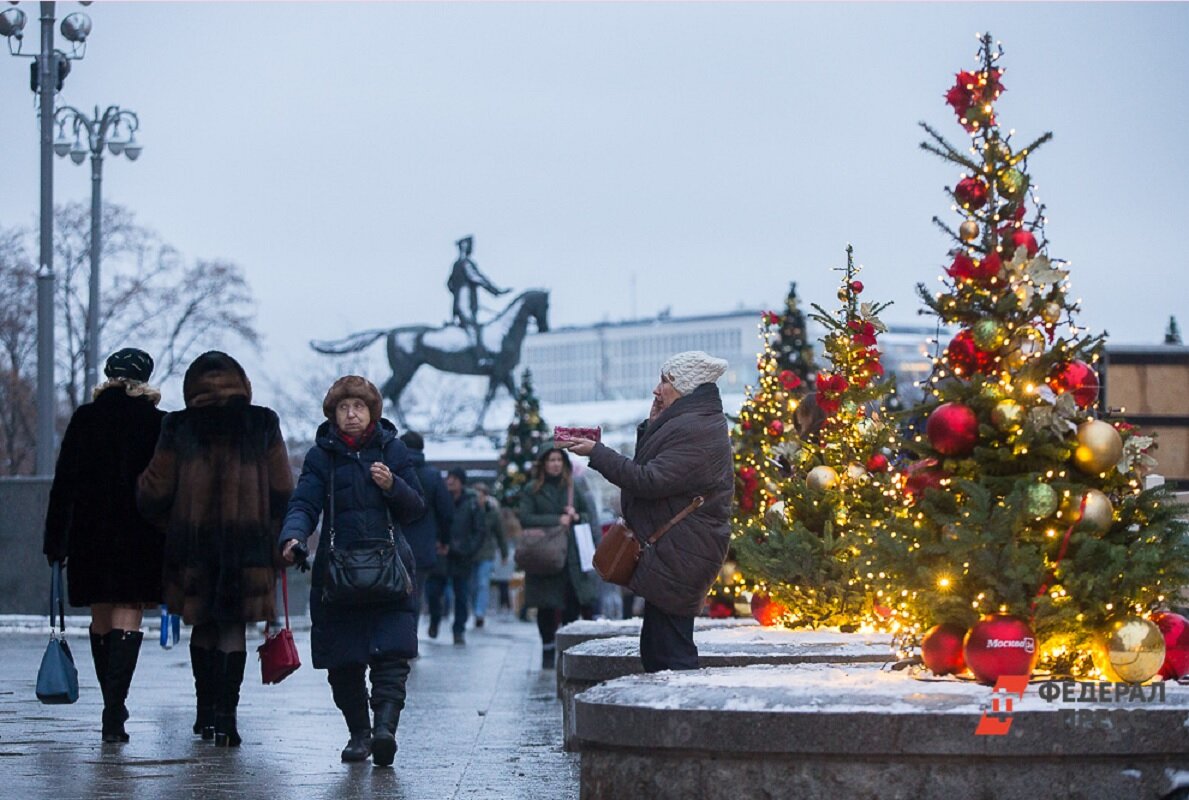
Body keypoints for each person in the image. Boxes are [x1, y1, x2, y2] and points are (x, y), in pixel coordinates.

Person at [137, 351, 294, 747]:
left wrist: (172, 526)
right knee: (232, 628)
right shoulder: (262, 422)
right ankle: (227, 719)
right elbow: (282, 490)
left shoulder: (179, 425)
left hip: (193, 547)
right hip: (247, 548)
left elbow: (153, 492)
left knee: (203, 624)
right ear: (241, 382)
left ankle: (204, 713)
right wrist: (273, 537)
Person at [280, 376, 426, 767]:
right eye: (343, 408)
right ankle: (359, 734)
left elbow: (415, 509)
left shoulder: (392, 450)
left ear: (372, 412)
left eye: (358, 407)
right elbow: (304, 504)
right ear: (333, 414)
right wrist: (292, 538)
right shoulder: (320, 456)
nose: (351, 415)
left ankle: (384, 730)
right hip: (337, 574)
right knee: (343, 661)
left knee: (392, 657)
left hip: (390, 571)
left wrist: (392, 485)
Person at [563, 351, 734, 673]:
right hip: (677, 550)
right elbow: (654, 469)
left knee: (670, 653)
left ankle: (681, 718)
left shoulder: (697, 429)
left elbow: (648, 479)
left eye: (665, 381)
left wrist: (597, 453)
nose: (657, 389)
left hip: (683, 551)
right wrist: (654, 423)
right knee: (658, 647)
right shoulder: (690, 421)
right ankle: (673, 716)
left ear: (685, 387)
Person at [42, 348, 166, 743]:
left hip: (90, 532)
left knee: (101, 616)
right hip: (140, 533)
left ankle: (111, 705)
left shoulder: (86, 418)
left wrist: (55, 540)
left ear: (109, 376)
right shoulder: (159, 423)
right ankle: (115, 710)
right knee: (129, 613)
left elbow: (65, 483)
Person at [518, 446, 599, 669]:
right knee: (545, 605)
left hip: (570, 555)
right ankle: (547, 648)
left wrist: (575, 516)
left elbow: (586, 514)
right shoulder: (532, 489)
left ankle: (567, 649)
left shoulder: (573, 486)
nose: (555, 464)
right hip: (545, 555)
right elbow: (525, 518)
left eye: (558, 460)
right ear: (543, 463)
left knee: (571, 602)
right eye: (551, 460)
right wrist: (556, 520)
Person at [426, 467, 486, 645]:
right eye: (449, 478)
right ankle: (435, 620)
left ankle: (458, 630)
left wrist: (468, 549)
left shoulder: (472, 503)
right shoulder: (439, 499)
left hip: (461, 556)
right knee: (433, 593)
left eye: (454, 479)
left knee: (461, 595)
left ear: (461, 482)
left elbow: (479, 531)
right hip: (440, 554)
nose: (450, 482)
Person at [398, 431, 454, 612]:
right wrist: (444, 540)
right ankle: (410, 636)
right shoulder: (433, 476)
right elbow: (445, 512)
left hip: (393, 544)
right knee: (415, 593)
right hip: (423, 546)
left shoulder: (391, 473)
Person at [446, 235, 509, 364]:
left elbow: (449, 284)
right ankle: (481, 357)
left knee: (470, 327)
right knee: (472, 327)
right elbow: (478, 278)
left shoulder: (456, 264)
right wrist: (495, 291)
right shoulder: (466, 264)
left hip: (461, 302)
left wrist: (457, 293)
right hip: (466, 303)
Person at [469, 482, 508, 628]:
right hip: (470, 553)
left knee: (483, 583)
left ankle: (480, 613)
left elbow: (500, 533)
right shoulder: (469, 510)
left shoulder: (493, 511)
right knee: (473, 585)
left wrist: (504, 553)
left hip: (486, 553)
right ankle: (475, 609)